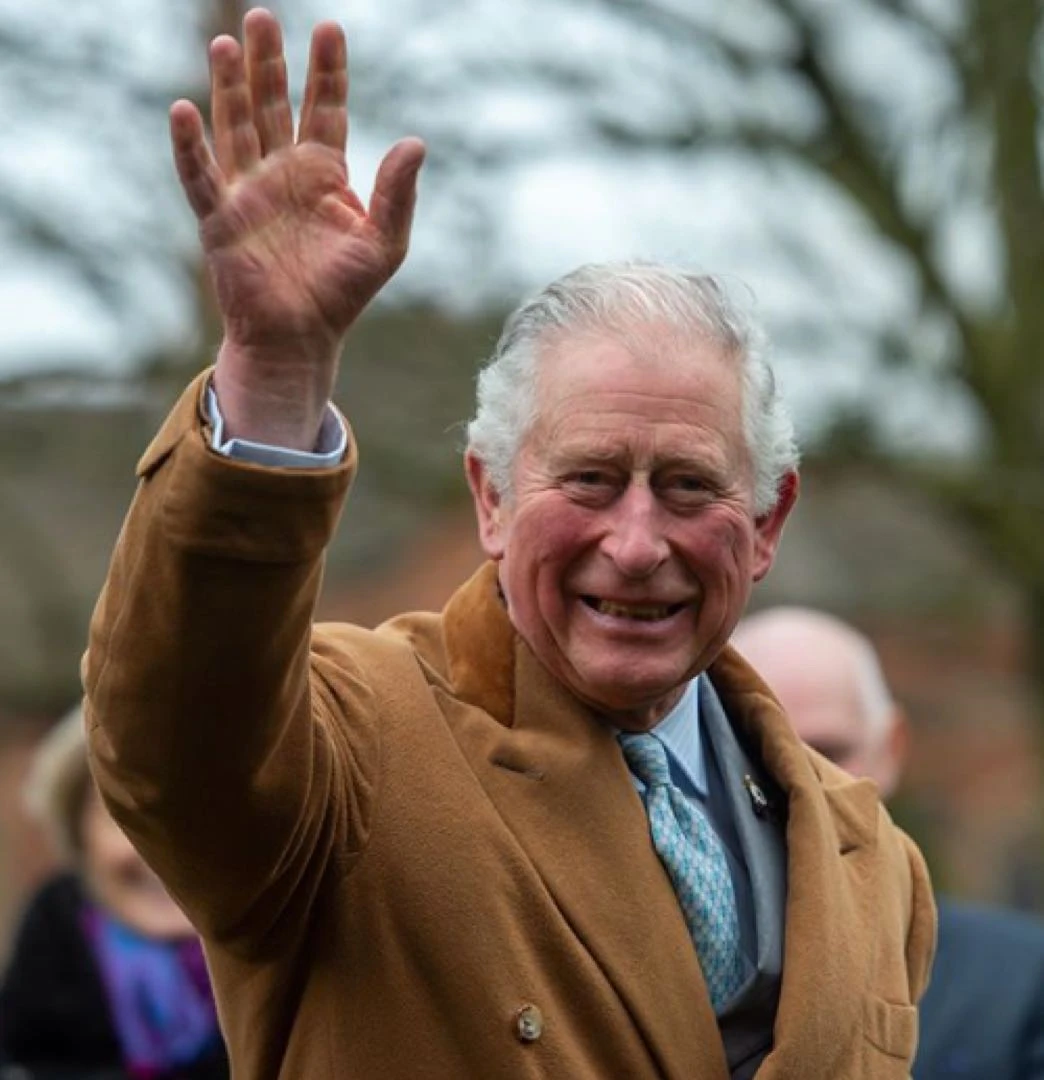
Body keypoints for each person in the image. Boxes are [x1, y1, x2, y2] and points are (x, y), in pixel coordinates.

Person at [82, 8, 935, 1078]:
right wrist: (273, 379)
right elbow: (177, 745)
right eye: (589, 480)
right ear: (490, 497)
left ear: (767, 523)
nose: (637, 543)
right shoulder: (354, 746)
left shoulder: (872, 859)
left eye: (688, 487)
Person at [732, 606, 1044, 1080]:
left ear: (891, 748)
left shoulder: (1019, 979)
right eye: (758, 751)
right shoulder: (675, 978)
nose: (800, 785)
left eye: (828, 753)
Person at [0, 707, 228, 1080]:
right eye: (124, 817)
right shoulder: (50, 943)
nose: (166, 854)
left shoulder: (302, 976)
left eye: (198, 814)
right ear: (80, 838)